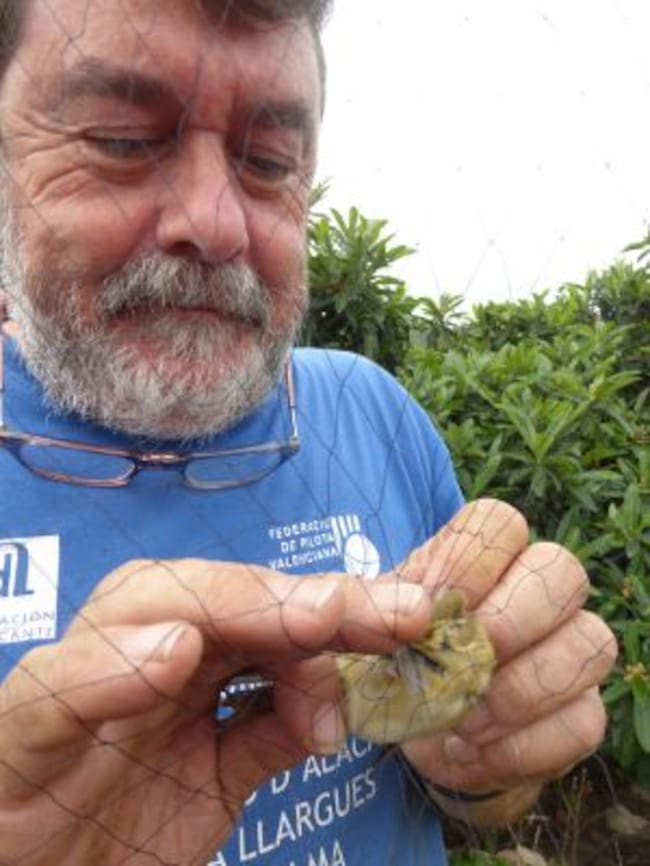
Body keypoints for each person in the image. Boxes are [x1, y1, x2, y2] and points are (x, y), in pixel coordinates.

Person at [0, 2, 616, 865]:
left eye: (268, 162)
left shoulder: (371, 412)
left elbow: (486, 803)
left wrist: (480, 757)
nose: (215, 224)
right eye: (123, 140)